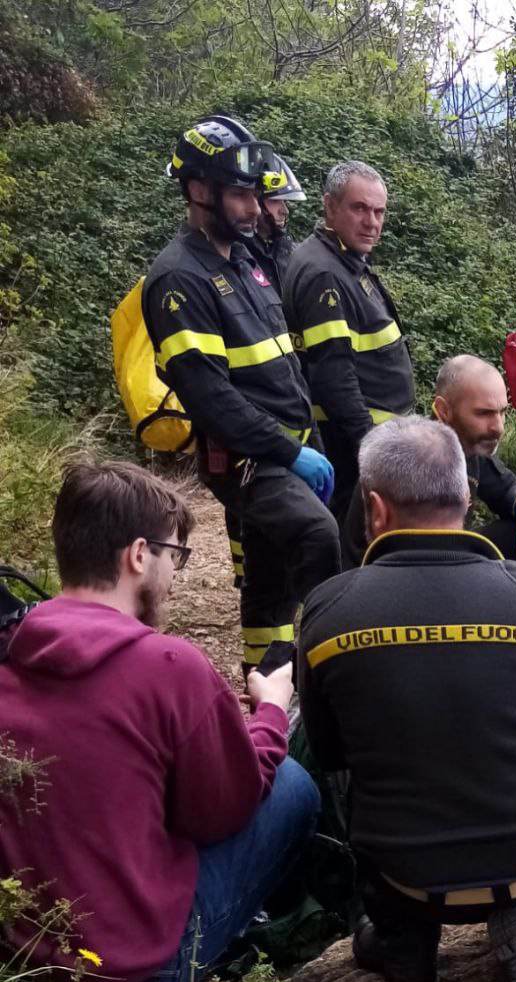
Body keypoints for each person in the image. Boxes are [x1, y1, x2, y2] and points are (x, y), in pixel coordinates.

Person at [298, 417, 516, 982]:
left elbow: (330, 755)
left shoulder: (327, 611)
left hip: (405, 875)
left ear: (373, 508)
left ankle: (405, 945)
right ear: (466, 498)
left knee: (380, 851)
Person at [0, 461, 319, 982]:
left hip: (27, 964)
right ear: (139, 554)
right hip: (134, 973)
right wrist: (270, 711)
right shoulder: (168, 665)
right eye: (176, 557)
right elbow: (224, 812)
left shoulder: (11, 649)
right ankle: (245, 945)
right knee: (291, 785)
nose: (175, 576)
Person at [142, 114, 340, 674]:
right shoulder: (178, 280)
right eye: (239, 194)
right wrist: (287, 452)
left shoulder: (247, 257)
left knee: (268, 572)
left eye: (256, 193)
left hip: (290, 441)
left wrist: (310, 439)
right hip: (250, 455)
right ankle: (331, 674)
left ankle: (266, 680)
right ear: (198, 190)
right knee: (317, 536)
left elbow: (283, 365)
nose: (254, 208)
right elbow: (210, 398)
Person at [284, 161, 415, 556]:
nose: (372, 222)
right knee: (356, 551)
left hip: (369, 442)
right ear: (329, 207)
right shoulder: (325, 273)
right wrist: (372, 446)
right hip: (353, 446)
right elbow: (333, 375)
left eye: (379, 211)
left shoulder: (342, 260)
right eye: (359, 208)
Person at [433, 354, 516, 564]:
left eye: (502, 412)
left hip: (458, 554)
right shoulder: (413, 457)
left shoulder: (468, 445)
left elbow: (506, 486)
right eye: (483, 414)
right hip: (412, 570)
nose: (498, 428)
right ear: (443, 410)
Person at [249, 153, 306, 291]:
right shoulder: (239, 256)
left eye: (284, 201)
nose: (284, 210)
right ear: (254, 201)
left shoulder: (292, 254)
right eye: (275, 201)